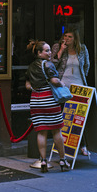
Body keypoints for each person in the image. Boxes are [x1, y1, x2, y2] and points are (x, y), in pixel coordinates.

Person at [25, 40, 69, 173]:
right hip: (49, 100)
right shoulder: (48, 65)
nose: (50, 53)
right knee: (56, 131)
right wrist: (62, 84)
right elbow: (54, 81)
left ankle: (43, 160)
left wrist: (36, 89)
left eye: (49, 50)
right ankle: (62, 159)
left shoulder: (31, 67)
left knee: (41, 132)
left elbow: (28, 86)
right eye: (47, 50)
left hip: (36, 101)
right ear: (39, 52)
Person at [51, 28, 90, 155]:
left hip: (79, 86)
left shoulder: (82, 49)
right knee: (64, 116)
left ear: (75, 39)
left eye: (70, 37)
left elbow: (86, 65)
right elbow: (52, 65)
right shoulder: (57, 47)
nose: (66, 39)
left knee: (79, 117)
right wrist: (61, 50)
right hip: (63, 87)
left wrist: (82, 78)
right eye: (65, 36)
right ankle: (61, 146)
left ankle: (83, 146)